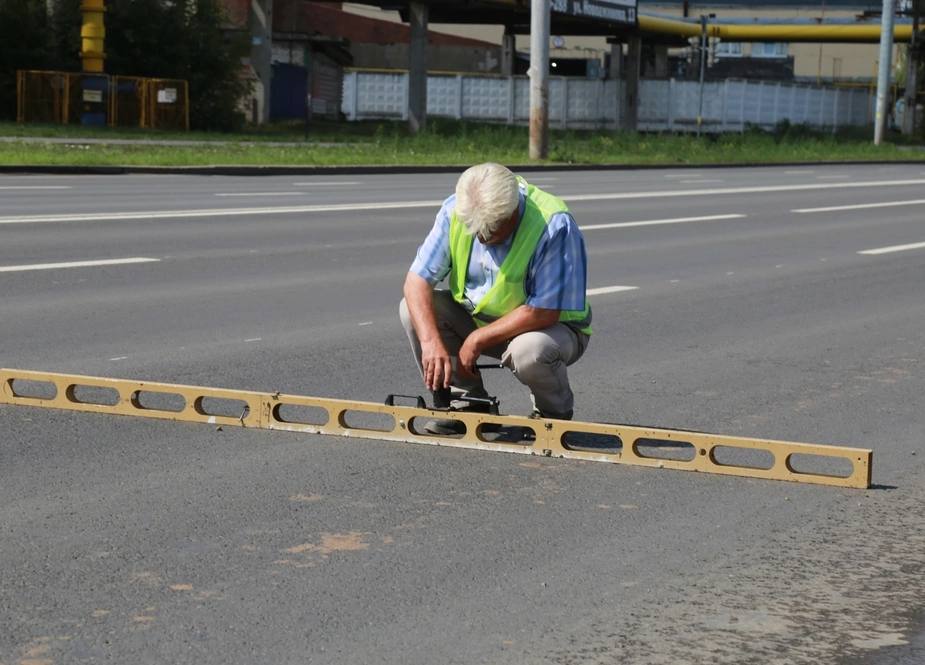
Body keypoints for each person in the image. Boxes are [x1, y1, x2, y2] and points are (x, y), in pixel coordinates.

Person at [399, 163, 591, 435]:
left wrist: (477, 339)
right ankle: (467, 403)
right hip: (481, 320)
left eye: (491, 229)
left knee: (529, 351)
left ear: (513, 212)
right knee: (412, 309)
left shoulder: (553, 222)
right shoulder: (456, 210)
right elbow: (416, 281)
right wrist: (430, 342)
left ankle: (552, 416)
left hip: (550, 329)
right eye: (475, 230)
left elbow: (545, 311)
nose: (482, 237)